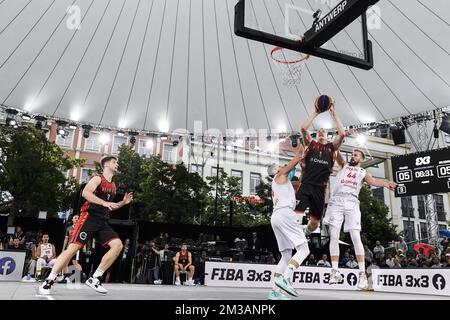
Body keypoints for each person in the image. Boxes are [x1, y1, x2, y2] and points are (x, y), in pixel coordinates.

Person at [39, 156, 134, 295]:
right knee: (73, 249)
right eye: (115, 162)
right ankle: (48, 281)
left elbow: (110, 206)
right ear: (106, 164)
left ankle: (95, 278)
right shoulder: (97, 179)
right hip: (88, 218)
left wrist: (123, 203)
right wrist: (103, 203)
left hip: (102, 221)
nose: (117, 164)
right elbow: (86, 193)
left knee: (118, 245)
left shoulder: (113, 186)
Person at [323, 149, 397, 289]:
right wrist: (335, 140)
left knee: (355, 236)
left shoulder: (363, 172)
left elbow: (373, 181)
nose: (352, 156)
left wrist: (387, 183)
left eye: (355, 155)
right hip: (336, 201)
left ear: (361, 159)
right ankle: (334, 271)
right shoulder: (343, 165)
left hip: (352, 201)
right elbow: (336, 150)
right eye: (352, 154)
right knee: (333, 236)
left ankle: (362, 274)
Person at [295, 103, 346, 236]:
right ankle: (293, 235)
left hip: (320, 189)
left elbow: (342, 134)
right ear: (316, 135)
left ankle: (305, 232)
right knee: (294, 215)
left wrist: (334, 115)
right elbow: (303, 128)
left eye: (324, 130)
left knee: (315, 223)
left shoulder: (332, 148)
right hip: (306, 185)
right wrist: (316, 112)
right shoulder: (311, 144)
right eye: (319, 130)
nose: (321, 131)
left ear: (328, 134)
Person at [267, 149, 310, 300]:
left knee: (286, 255)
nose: (283, 165)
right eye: (280, 165)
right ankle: (286, 278)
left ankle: (275, 292)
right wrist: (301, 146)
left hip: (277, 216)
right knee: (304, 249)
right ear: (276, 170)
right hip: (285, 214)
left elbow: (301, 183)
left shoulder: (282, 183)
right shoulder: (280, 175)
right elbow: (296, 158)